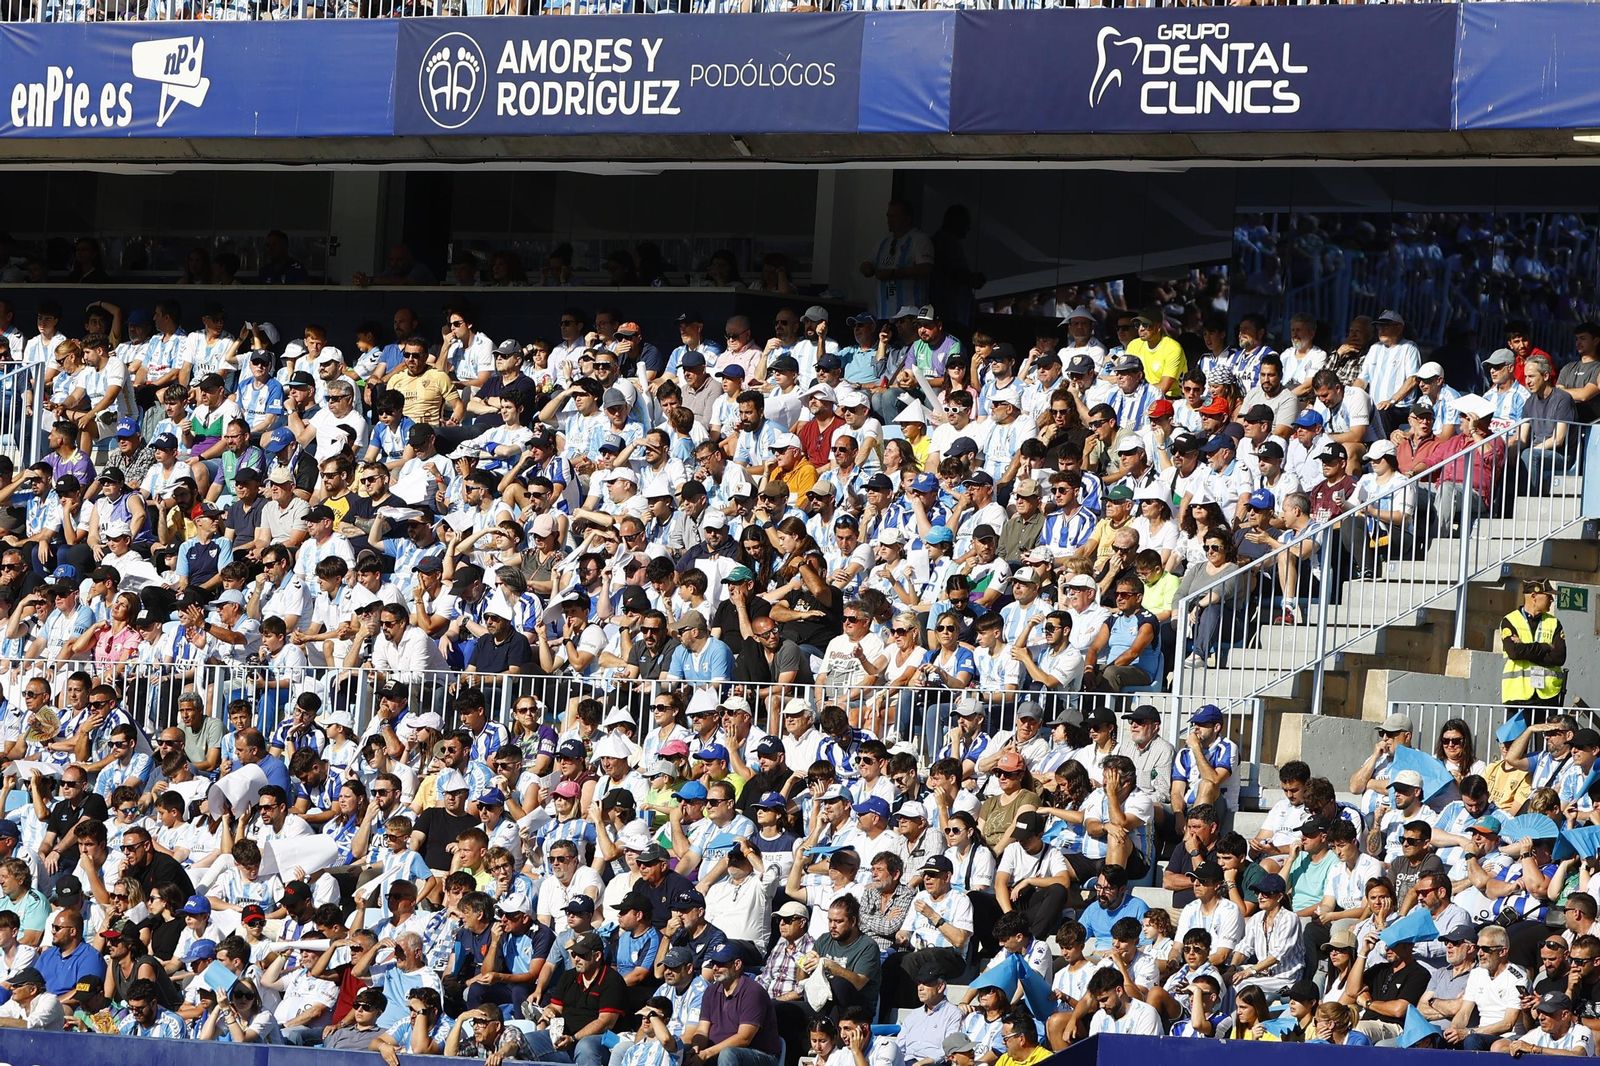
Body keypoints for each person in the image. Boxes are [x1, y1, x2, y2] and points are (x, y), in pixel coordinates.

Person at [1501, 578, 1567, 711]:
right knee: (1520, 733)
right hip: (1518, 696)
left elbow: (1559, 657)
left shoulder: (1554, 622)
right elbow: (1514, 652)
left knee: (1548, 732)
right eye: (1548, 596)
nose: (1552, 600)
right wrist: (1545, 647)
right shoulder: (1510, 620)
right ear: (1534, 596)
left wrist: (1525, 649)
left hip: (1548, 695)